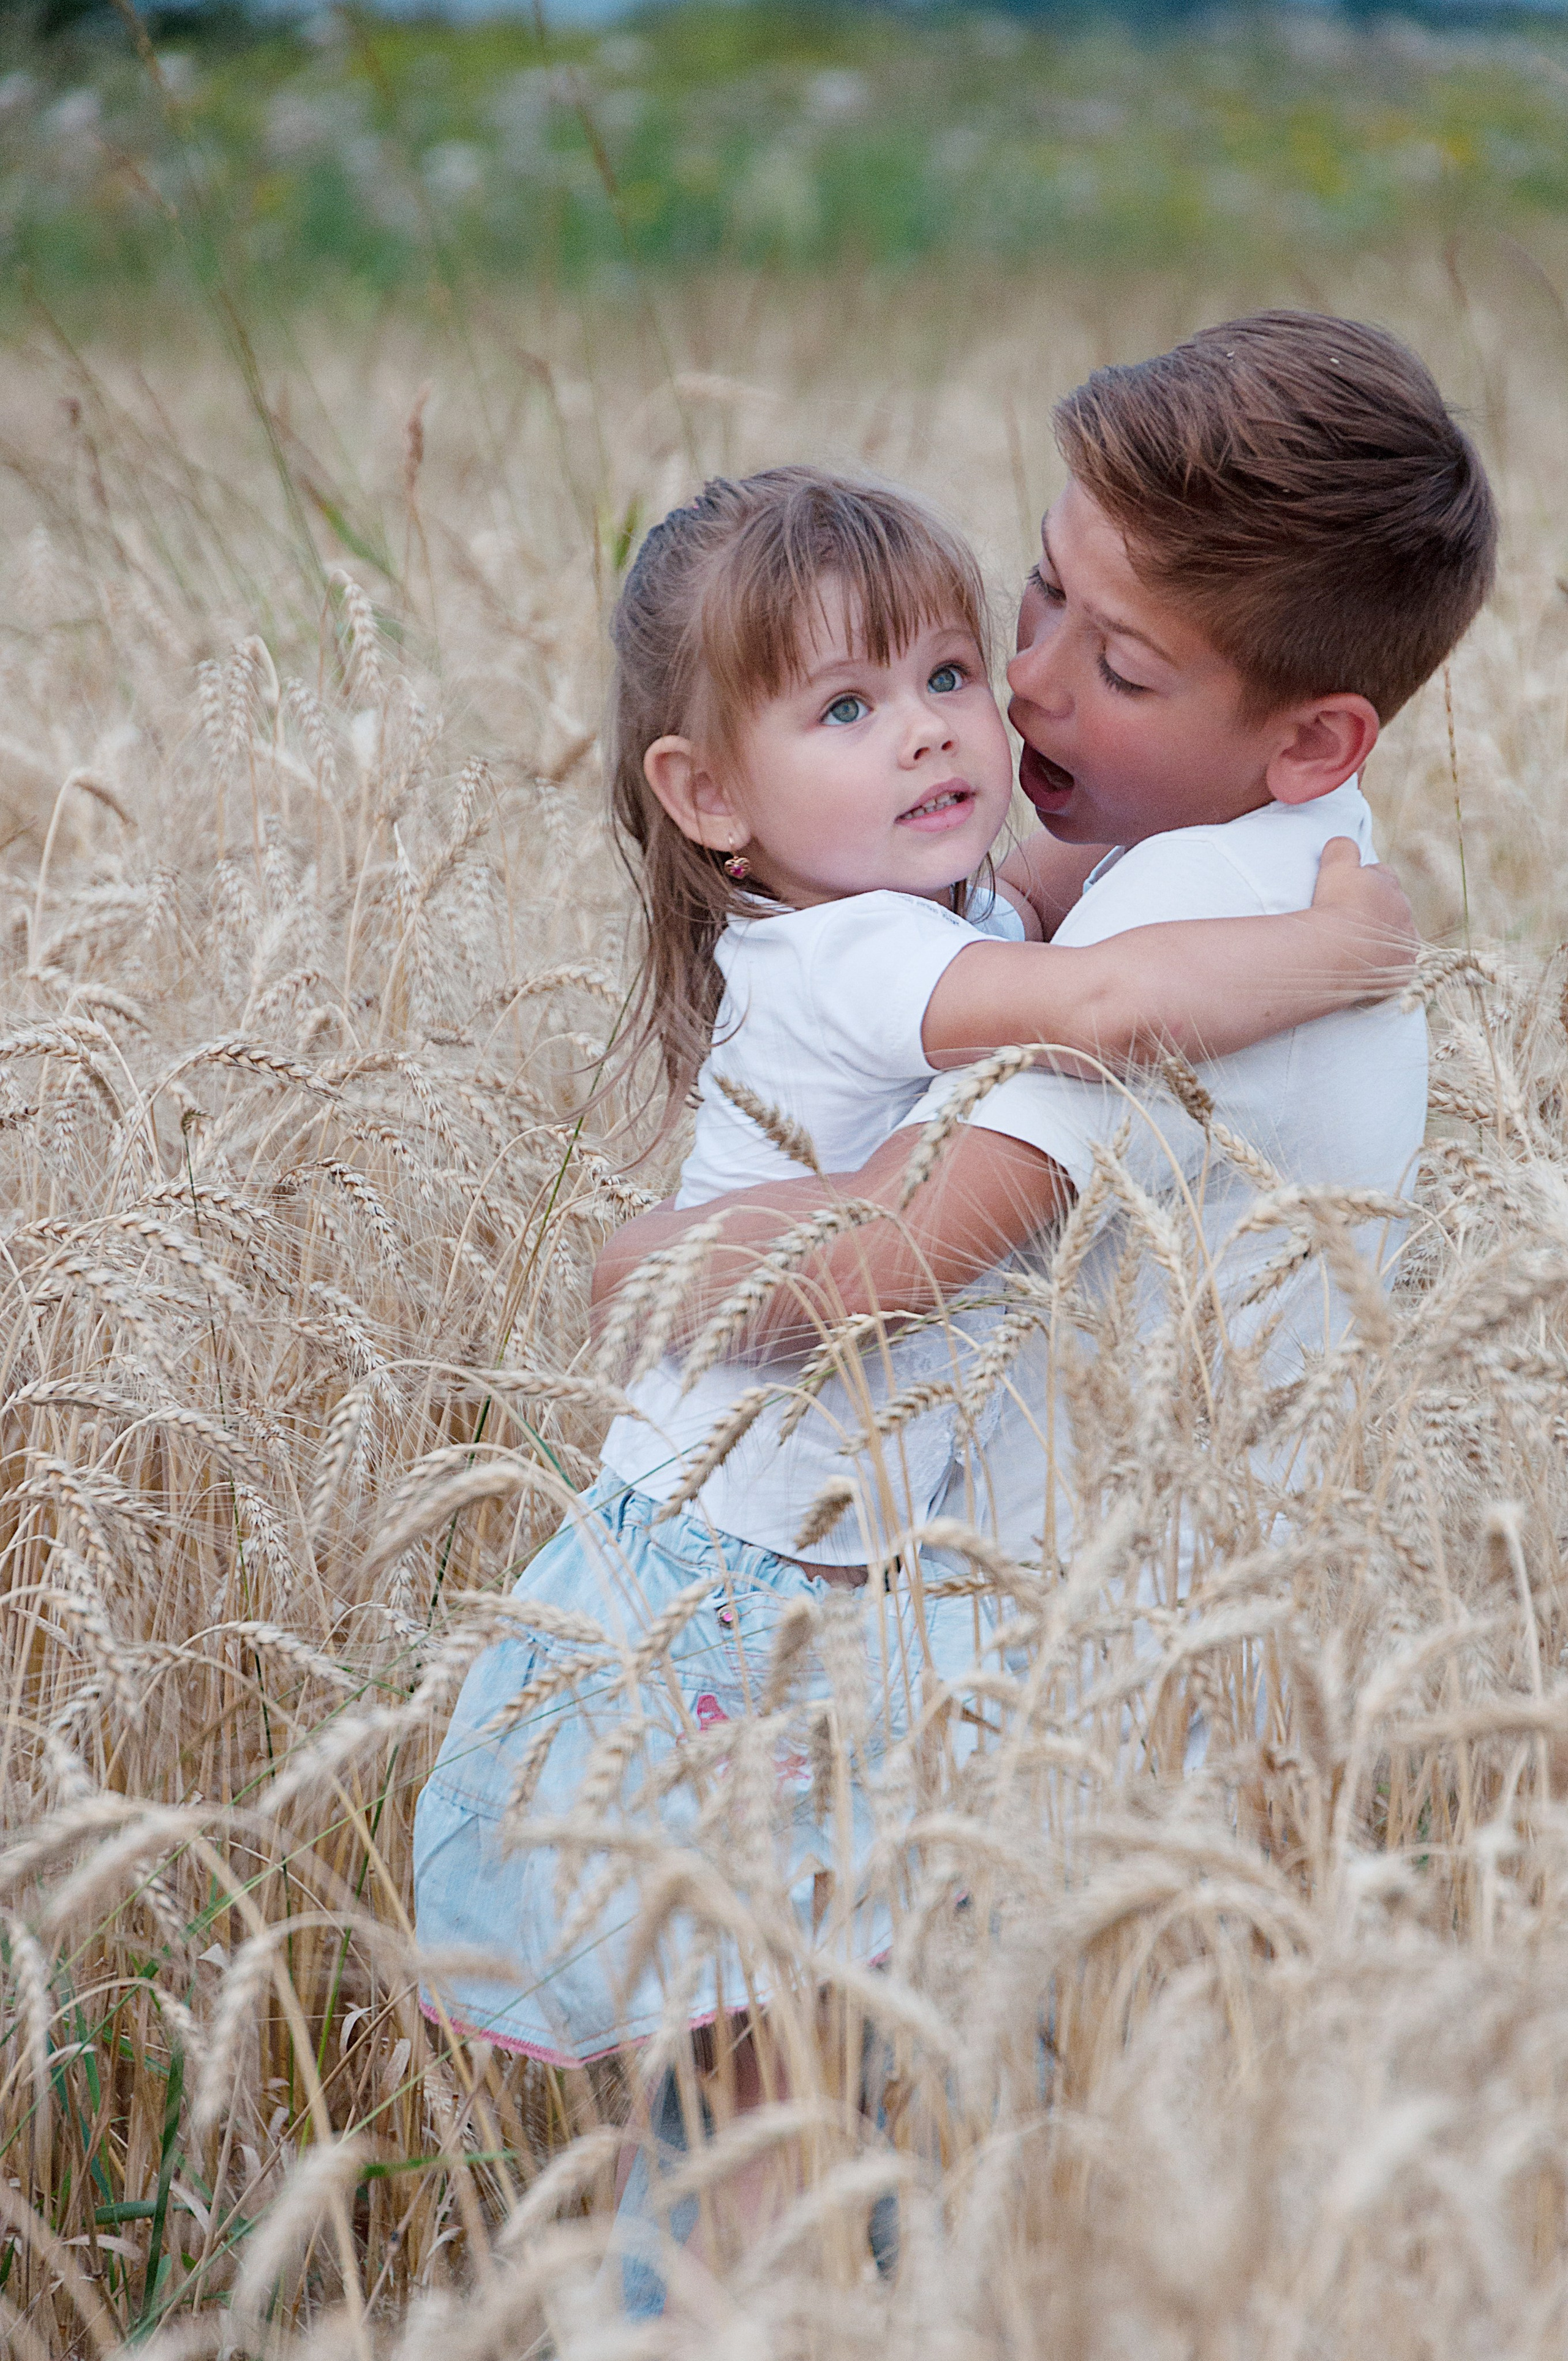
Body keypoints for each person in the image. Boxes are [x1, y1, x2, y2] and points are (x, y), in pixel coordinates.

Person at [412, 459, 1409, 2304]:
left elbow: (1066, 897)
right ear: (709, 798)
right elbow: (1109, 1008)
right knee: (758, 2122)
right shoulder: (864, 951)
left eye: (952, 675)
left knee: (784, 2099)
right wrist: (1328, 945)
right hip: (737, 1597)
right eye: (848, 709)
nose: (941, 736)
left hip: (812, 1591)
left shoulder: (934, 914)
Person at [596, 311, 1496, 1700]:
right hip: (789, 1544)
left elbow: (886, 1241)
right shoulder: (1270, 855)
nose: (1019, 681)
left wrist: (634, 1267)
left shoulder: (1185, 916)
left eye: (1118, 669)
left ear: (1311, 737)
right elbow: (1055, 929)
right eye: (1037, 586)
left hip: (958, 1624)